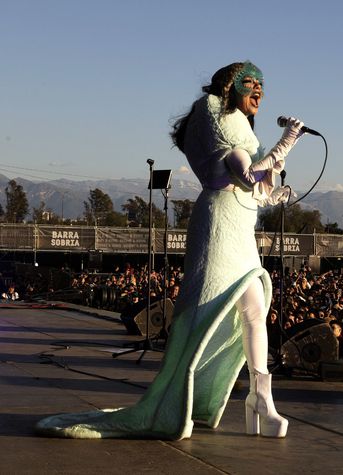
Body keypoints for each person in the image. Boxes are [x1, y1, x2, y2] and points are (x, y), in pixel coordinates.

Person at [36, 60, 304, 440]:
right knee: (209, 307)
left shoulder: (242, 129)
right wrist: (288, 141)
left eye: (262, 83)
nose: (258, 89)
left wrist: (275, 191)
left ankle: (262, 398)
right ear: (230, 87)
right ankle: (180, 396)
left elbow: (256, 188)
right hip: (218, 227)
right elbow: (242, 176)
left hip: (241, 226)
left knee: (255, 308)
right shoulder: (214, 116)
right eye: (250, 83)